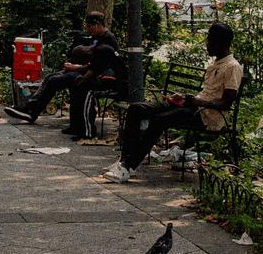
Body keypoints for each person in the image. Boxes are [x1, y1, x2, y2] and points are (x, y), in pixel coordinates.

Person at [104, 20, 242, 183]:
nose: (207, 44)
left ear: (221, 42)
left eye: (210, 40)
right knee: (136, 109)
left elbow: (225, 103)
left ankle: (129, 165)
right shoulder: (216, 64)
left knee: (159, 120)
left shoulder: (232, 66)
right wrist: (185, 97)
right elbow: (207, 94)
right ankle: (124, 161)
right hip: (194, 107)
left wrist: (196, 102)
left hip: (207, 117)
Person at [3, 12, 123, 137]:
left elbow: (98, 67)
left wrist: (76, 68)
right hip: (89, 71)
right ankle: (31, 109)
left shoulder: (108, 41)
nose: (88, 30)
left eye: (89, 27)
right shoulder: (97, 38)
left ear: (97, 25)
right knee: (51, 77)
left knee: (62, 80)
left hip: (100, 76)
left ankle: (32, 111)